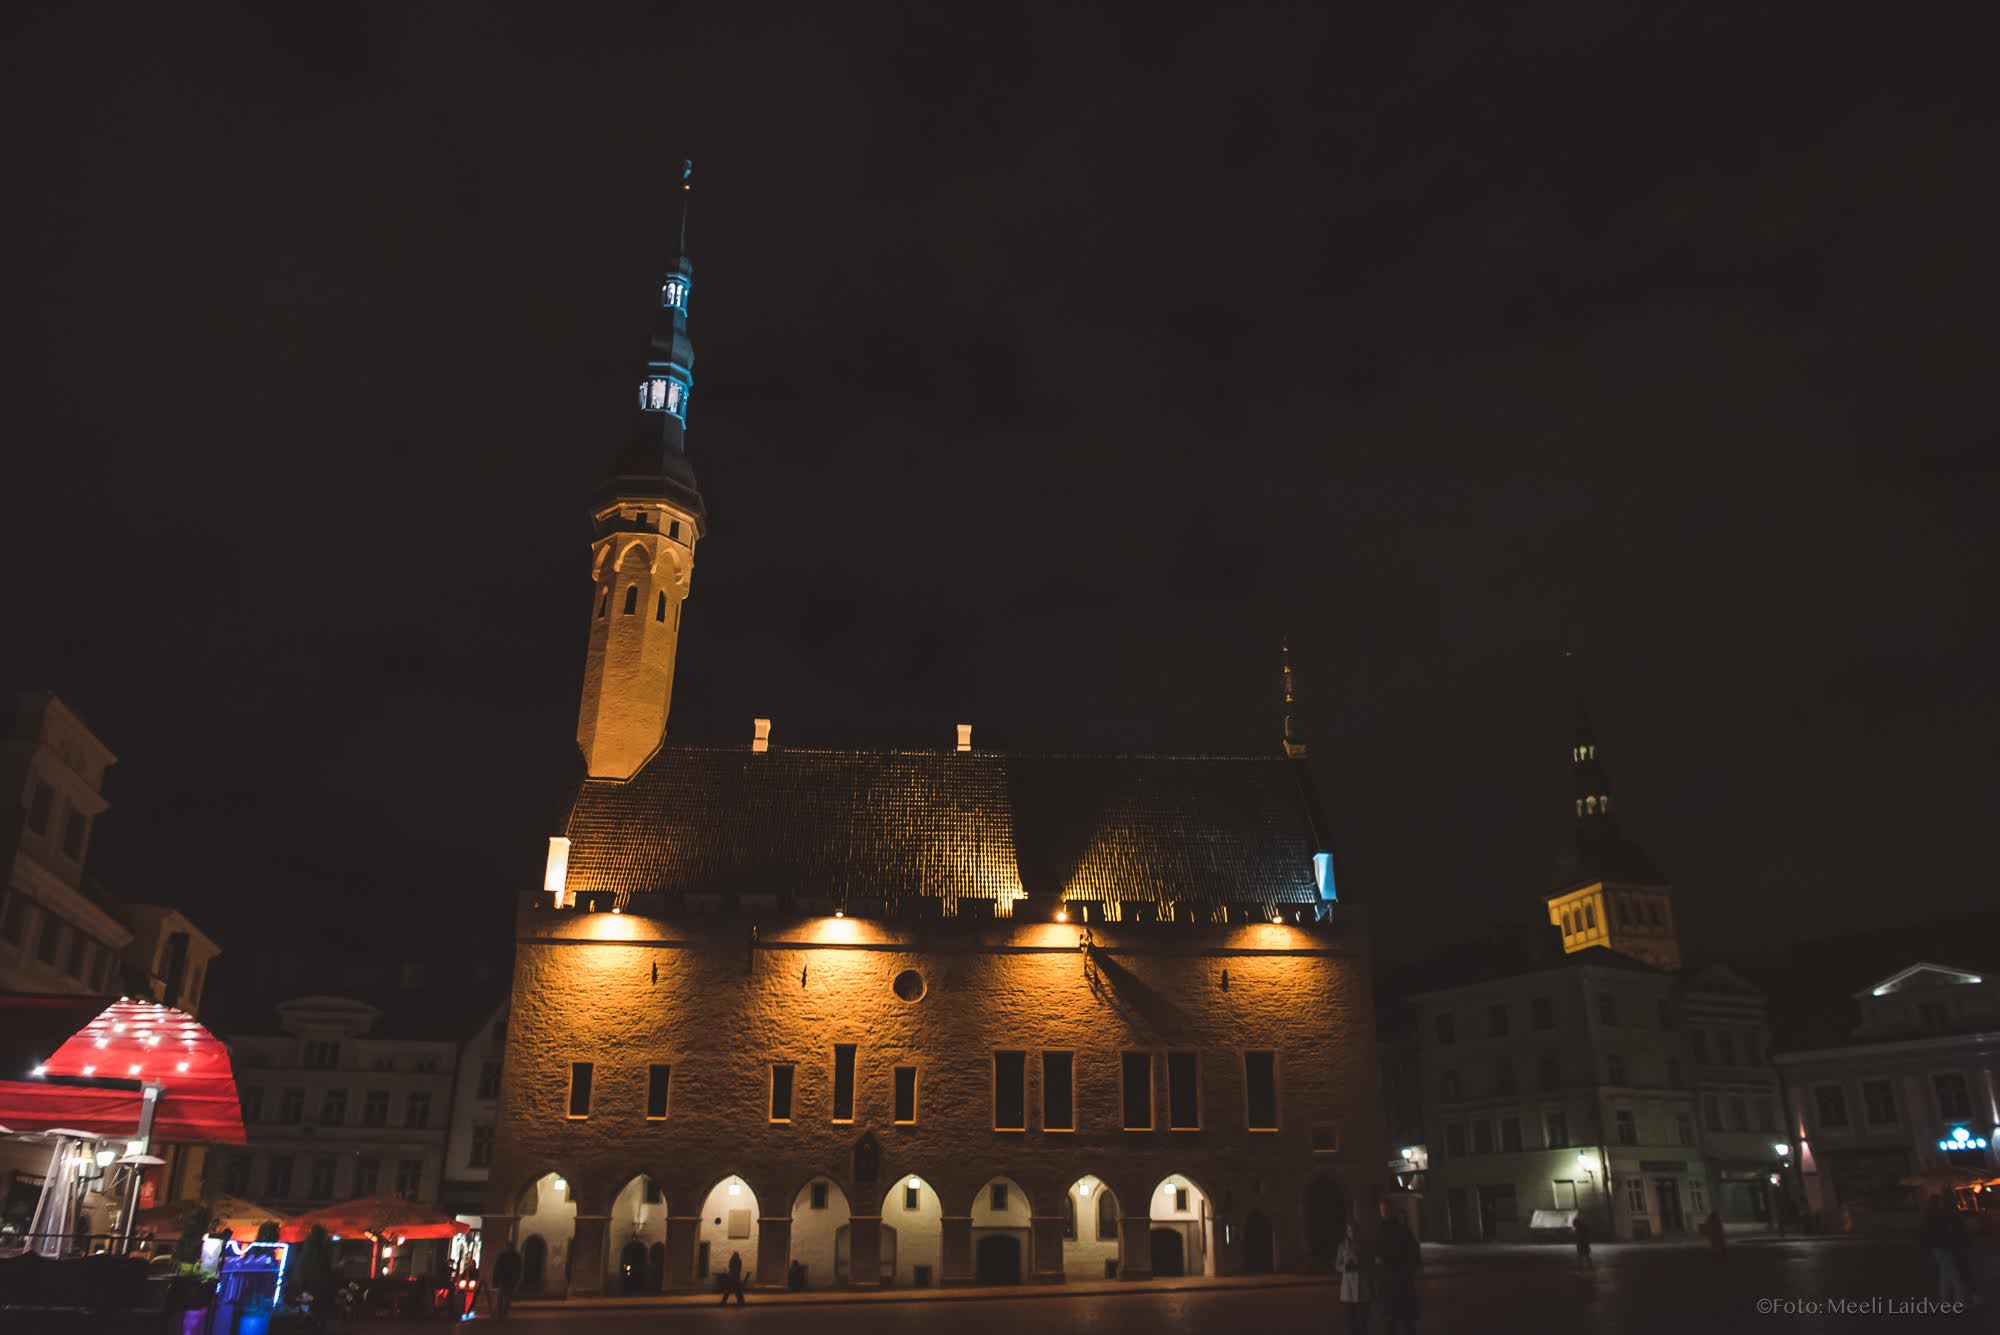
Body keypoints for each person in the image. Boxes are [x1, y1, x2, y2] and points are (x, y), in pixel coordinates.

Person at [1375, 1208, 1420, 1335]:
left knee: (1406, 1321)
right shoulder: (1380, 1232)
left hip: (1402, 1282)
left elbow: (1415, 1254)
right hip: (1387, 1283)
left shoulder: (1403, 1231)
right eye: (1382, 1211)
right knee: (1390, 1322)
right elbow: (1376, 1252)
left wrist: (1407, 1270)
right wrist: (1378, 1262)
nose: (1384, 1213)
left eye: (1386, 1210)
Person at [1919, 1196, 1970, 1305]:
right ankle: (1959, 1301)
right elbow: (1948, 1233)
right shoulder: (1940, 1217)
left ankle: (1944, 1298)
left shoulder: (1932, 1217)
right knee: (1954, 1275)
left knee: (1946, 1274)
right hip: (1943, 1248)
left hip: (1938, 1248)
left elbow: (1926, 1234)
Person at [1336, 1221, 1373, 1335]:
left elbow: (1370, 1264)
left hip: (1362, 1286)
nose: (1353, 1233)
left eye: (1355, 1230)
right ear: (1347, 1232)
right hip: (1348, 1289)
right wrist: (1345, 1267)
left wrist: (1360, 1263)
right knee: (1351, 1322)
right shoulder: (1342, 1246)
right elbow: (1337, 1265)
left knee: (1363, 1321)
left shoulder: (1365, 1245)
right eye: (1350, 1230)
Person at [491, 1241, 521, 1320]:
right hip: (504, 1279)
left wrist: (516, 1280)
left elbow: (518, 1269)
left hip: (509, 1279)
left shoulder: (514, 1257)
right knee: (501, 1296)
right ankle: (501, 1312)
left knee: (506, 1297)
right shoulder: (504, 1256)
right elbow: (497, 1268)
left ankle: (503, 1311)